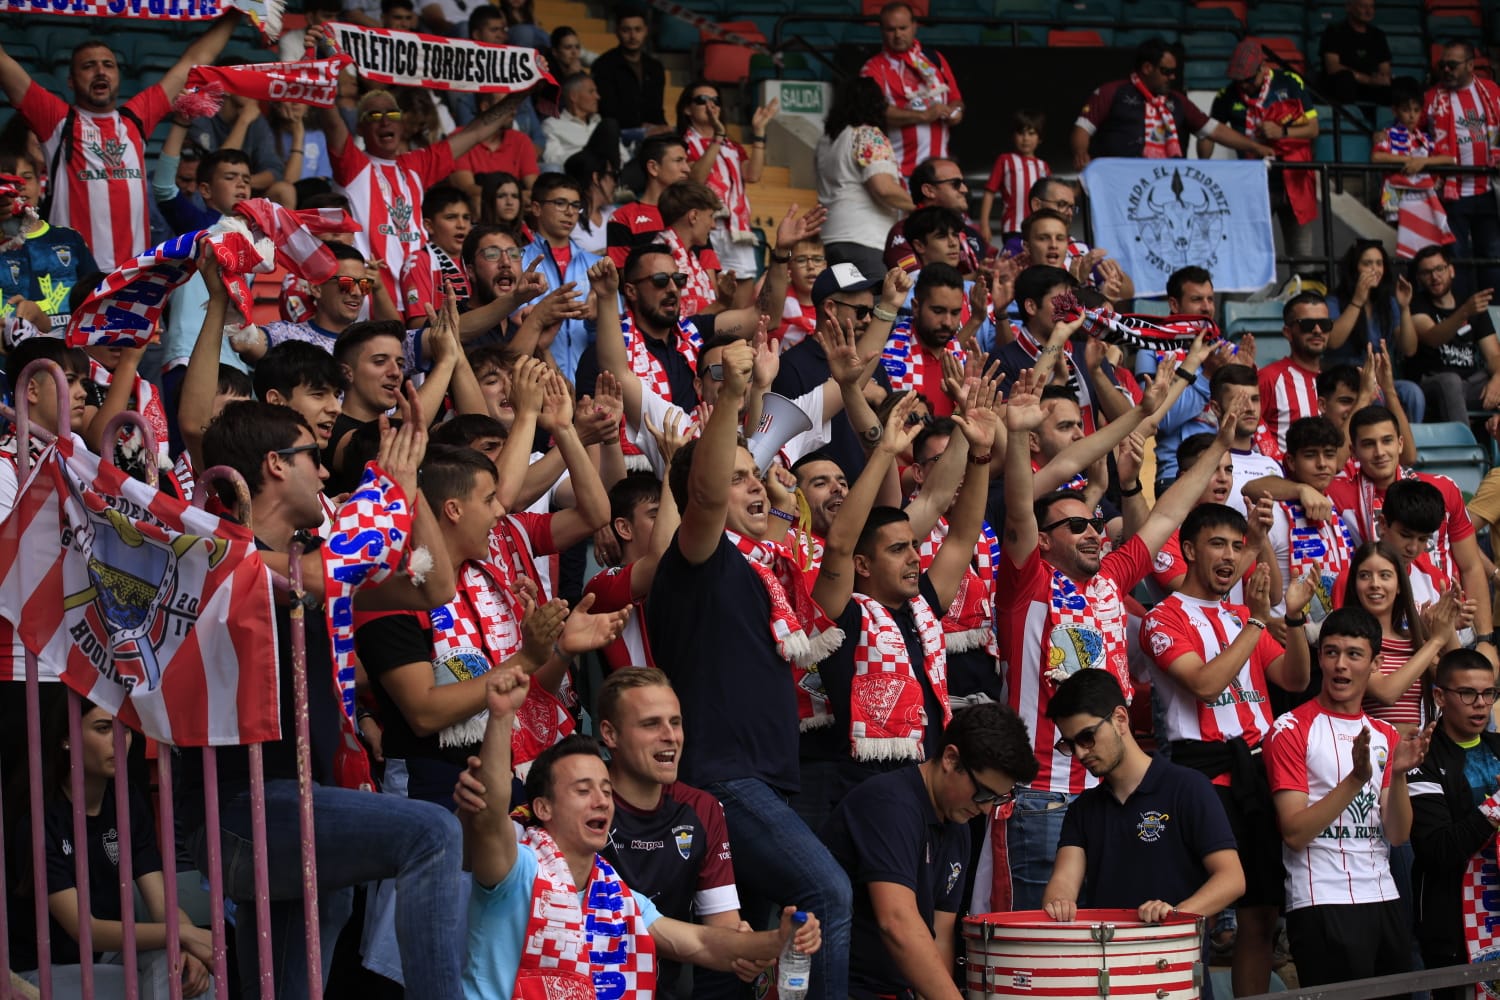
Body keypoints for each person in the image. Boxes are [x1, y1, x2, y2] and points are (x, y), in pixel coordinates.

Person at [188, 393, 467, 999]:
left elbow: (434, 587)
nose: (324, 470)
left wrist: (410, 485)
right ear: (274, 465)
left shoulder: (309, 561)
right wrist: (385, 490)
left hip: (305, 801)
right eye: (312, 455)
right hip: (245, 811)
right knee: (433, 834)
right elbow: (318, 576)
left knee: (294, 978)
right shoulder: (220, 553)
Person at [989, 363, 1247, 911]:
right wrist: (1015, 436)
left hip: (1111, 797)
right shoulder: (1025, 584)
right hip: (1043, 797)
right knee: (1043, 947)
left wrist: (1218, 445)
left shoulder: (1112, 577)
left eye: (1092, 522)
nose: (1091, 530)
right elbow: (1016, 510)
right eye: (1075, 526)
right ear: (1044, 542)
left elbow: (1169, 512)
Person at [646, 337, 853, 1000]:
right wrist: (732, 397)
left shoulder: (765, 572)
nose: (756, 485)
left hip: (768, 775)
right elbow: (704, 497)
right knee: (823, 893)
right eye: (738, 477)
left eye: (755, 474)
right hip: (724, 777)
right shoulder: (695, 559)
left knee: (751, 953)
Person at [455, 667, 823, 1000]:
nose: (601, 800)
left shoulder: (617, 894)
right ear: (543, 808)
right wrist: (501, 717)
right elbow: (488, 819)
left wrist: (778, 940)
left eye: (604, 790)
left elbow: (702, 943)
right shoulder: (516, 870)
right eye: (583, 791)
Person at [1139, 503, 1311, 996]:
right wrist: (1257, 624)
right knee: (1202, 915)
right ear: (1189, 551)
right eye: (1218, 544)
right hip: (1199, 775)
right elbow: (1206, 685)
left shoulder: (1242, 615)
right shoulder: (1162, 618)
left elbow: (1295, 679)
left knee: (1261, 916)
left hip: (1259, 773)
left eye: (1239, 547)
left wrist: (1293, 619)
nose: (1231, 556)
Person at [1041, 670, 1244, 991]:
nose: (1080, 753)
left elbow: (1232, 879)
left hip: (1173, 973)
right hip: (1106, 976)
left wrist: (1175, 915)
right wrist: (1058, 903)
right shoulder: (1083, 808)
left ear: (1120, 719)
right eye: (1069, 744)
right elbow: (1063, 882)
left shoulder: (1188, 787)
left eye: (1087, 737)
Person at [1264, 606, 1432, 988]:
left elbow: (1398, 835)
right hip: (1320, 898)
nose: (1340, 665)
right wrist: (1356, 779)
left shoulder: (1386, 734)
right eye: (1331, 652)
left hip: (1383, 894)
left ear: (1376, 662)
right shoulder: (1290, 729)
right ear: (1319, 656)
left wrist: (1401, 774)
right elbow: (1294, 832)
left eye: (1354, 654)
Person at [823, 704, 1038, 1000]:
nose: (987, 808)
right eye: (983, 793)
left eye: (998, 798)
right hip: (845, 987)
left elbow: (940, 933)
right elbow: (896, 922)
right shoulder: (888, 805)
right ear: (950, 758)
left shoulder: (957, 821)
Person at [9, 698, 215, 998]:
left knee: (186, 972)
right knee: (168, 979)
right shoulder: (41, 819)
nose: (119, 740)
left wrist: (190, 949)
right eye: (103, 728)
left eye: (126, 730)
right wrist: (182, 933)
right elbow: (85, 930)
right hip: (43, 972)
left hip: (107, 959)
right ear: (66, 740)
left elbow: (163, 905)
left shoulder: (126, 802)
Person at [0, 12, 240, 268]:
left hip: (132, 274)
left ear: (118, 76)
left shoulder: (136, 119)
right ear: (70, 81)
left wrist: (237, 12)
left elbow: (194, 61)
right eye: (88, 66)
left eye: (108, 64)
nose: (100, 71)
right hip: (73, 274)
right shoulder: (56, 120)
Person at [596, 667, 761, 1000]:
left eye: (675, 722)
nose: (670, 736)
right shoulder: (585, 801)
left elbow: (723, 928)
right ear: (609, 735)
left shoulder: (703, 808)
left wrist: (746, 948)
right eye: (650, 724)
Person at [1327, 404, 1495, 664]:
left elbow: (1471, 565)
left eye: (1387, 441)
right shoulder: (1334, 494)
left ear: (1401, 443)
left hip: (1454, 631)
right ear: (1353, 451)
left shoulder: (1442, 489)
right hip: (1388, 639)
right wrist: (1304, 491)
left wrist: (1485, 640)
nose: (1380, 452)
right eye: (1369, 444)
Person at [1408, 649, 1500, 998]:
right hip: (1453, 926)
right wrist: (1495, 808)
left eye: (1489, 693)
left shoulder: (1497, 746)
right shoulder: (1424, 758)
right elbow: (1437, 848)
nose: (1480, 704)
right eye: (1467, 693)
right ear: (1439, 696)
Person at [1199, 40, 1319, 265]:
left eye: (1248, 79)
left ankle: (1304, 295)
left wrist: (1282, 131)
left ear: (1263, 67)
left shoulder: (1289, 82)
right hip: (1253, 184)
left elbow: (1313, 129)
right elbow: (1209, 133)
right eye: (1239, 80)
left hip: (1293, 181)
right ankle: (1239, 301)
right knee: (1247, 257)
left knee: (1303, 258)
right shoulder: (1227, 95)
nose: (1243, 85)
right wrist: (1203, 154)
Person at [1071, 37, 1274, 169]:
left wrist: (1255, 147)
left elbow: (1215, 130)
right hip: (1117, 180)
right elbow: (1083, 128)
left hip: (1166, 181)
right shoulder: (1112, 91)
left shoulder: (1178, 101)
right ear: (1147, 68)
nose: (1172, 77)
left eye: (1174, 72)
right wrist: (1081, 152)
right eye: (1166, 71)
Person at [1342, 539, 1460, 734]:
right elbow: (1387, 693)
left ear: (1399, 585)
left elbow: (1459, 681)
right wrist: (1437, 640)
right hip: (1371, 755)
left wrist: (1447, 626)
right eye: (1364, 576)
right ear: (1354, 584)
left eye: (1385, 576)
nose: (1375, 584)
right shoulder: (1349, 639)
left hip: (1419, 756)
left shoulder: (1414, 642)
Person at [681, 80, 777, 290]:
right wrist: (717, 137)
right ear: (687, 108)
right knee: (708, 294)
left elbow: (752, 175)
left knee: (741, 297)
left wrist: (759, 132)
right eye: (702, 100)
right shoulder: (682, 142)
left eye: (715, 100)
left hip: (735, 229)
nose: (711, 105)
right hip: (703, 228)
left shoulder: (732, 145)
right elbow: (696, 178)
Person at [816, 77, 915, 278]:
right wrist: (922, 206)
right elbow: (884, 189)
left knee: (845, 306)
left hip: (829, 239)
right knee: (873, 306)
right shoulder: (869, 135)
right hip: (866, 240)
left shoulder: (824, 143)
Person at [1424, 41, 1500, 297]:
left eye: (1452, 65)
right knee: (1456, 256)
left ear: (1470, 65)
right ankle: (1462, 314)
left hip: (1489, 189)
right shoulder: (1432, 97)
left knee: (1491, 254)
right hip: (1452, 192)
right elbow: (1415, 130)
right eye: (1442, 64)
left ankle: (1495, 311)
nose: (1446, 69)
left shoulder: (1491, 91)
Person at [0, 149, 95, 341]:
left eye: (27, 177)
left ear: (39, 184)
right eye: (7, 181)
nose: (19, 187)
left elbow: (94, 296)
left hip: (67, 352)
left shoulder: (68, 238)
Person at [859, 1, 963, 176]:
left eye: (903, 28)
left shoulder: (935, 58)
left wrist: (956, 111)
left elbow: (955, 98)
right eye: (891, 30)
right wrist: (923, 116)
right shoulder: (873, 68)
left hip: (941, 171)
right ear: (881, 31)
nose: (898, 35)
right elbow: (873, 112)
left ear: (915, 26)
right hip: (899, 171)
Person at [1406, 243, 1499, 421]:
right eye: (1427, 273)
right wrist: (1464, 312)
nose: (1434, 277)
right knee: (1451, 381)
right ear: (1419, 278)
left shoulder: (1470, 304)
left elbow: (1494, 355)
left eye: (1439, 269)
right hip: (1432, 382)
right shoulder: (1417, 305)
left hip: (1472, 384)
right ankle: (1465, 447)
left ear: (1452, 271)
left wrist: (1498, 379)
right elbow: (1433, 337)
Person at [521, 172, 602, 377]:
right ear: (537, 208)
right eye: (560, 203)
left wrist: (595, 322)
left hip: (588, 385)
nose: (570, 212)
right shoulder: (517, 261)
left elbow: (616, 339)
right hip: (535, 381)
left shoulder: (596, 265)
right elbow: (513, 325)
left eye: (575, 205)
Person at [1257, 291, 1332, 459]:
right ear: (1287, 332)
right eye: (1307, 324)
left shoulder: (1335, 381)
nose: (1318, 330)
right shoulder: (1269, 378)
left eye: (1325, 324)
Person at [885, 158, 986, 275]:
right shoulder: (903, 232)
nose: (964, 189)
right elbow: (915, 286)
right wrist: (977, 277)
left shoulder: (970, 232)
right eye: (956, 184)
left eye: (954, 235)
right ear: (929, 190)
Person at [607, 134, 691, 267]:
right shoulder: (622, 218)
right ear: (653, 168)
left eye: (686, 161)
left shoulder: (693, 214)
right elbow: (624, 276)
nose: (687, 169)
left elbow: (707, 276)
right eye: (679, 160)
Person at [591, 8, 669, 137]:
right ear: (617, 31)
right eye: (626, 30)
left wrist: (660, 127)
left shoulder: (655, 67)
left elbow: (657, 107)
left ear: (646, 31)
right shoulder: (603, 65)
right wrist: (640, 127)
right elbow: (607, 110)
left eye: (638, 30)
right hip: (618, 133)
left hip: (652, 132)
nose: (633, 36)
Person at [979, 110, 1048, 243]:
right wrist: (984, 224)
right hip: (1013, 228)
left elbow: (1051, 197)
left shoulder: (1043, 166)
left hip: (1039, 229)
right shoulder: (1005, 160)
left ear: (1040, 138)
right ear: (1013, 135)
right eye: (1021, 133)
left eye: (1031, 133)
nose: (1026, 138)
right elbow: (989, 192)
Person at [541, 73, 626, 171]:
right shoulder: (552, 125)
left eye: (596, 91)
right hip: (581, 173)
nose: (598, 97)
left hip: (613, 172)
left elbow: (624, 156)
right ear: (573, 96)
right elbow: (552, 160)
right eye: (591, 92)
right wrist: (587, 154)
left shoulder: (599, 123)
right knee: (610, 125)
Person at [1319, 0, 1393, 105]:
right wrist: (1367, 79)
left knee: (1403, 85)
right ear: (1348, 7)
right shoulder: (1334, 31)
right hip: (1344, 86)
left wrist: (1383, 78)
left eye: (1371, 7)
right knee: (1345, 79)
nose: (1369, 11)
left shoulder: (1378, 35)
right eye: (1363, 6)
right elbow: (1333, 67)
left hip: (1371, 87)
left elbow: (1385, 69)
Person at [564, 148, 617, 257]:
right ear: (596, 178)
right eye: (612, 176)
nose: (615, 183)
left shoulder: (614, 214)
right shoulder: (568, 218)